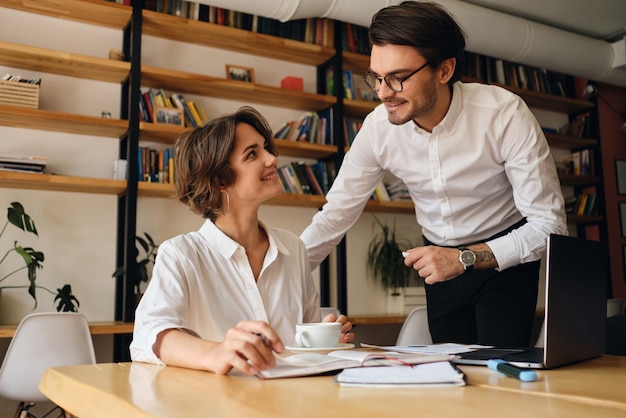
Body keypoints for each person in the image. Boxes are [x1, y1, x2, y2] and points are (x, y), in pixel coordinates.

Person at [300, 1, 568, 347]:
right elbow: (334, 215)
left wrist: (464, 258)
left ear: (444, 70)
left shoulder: (503, 113)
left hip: (505, 257)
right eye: (377, 78)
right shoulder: (377, 129)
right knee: (452, 371)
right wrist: (279, 276)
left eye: (397, 78)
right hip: (437, 264)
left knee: (500, 370)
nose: (383, 93)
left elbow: (549, 225)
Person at [131, 106, 353, 376]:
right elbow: (147, 337)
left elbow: (301, 344)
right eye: (253, 154)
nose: (272, 159)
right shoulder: (181, 255)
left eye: (267, 148)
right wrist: (216, 352)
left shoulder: (293, 247)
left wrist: (325, 336)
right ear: (220, 179)